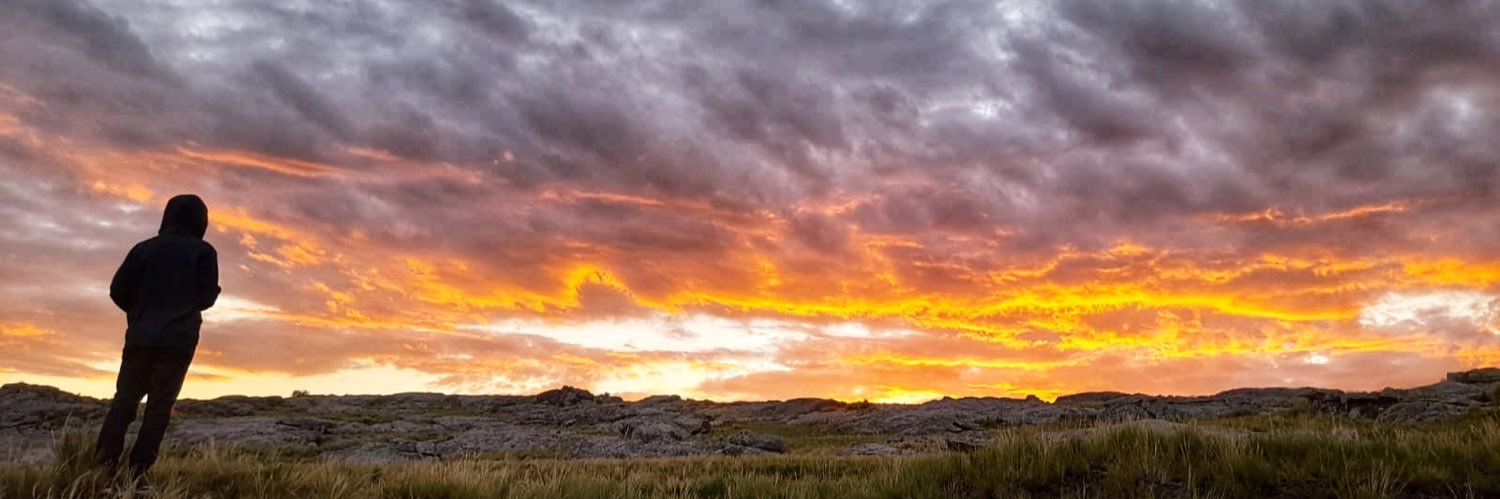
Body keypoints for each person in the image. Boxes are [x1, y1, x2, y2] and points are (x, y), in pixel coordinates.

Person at [95, 194, 220, 484]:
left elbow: (117, 290)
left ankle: (102, 467)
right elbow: (206, 297)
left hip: (140, 338)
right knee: (159, 408)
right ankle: (137, 474)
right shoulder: (203, 252)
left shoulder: (143, 250)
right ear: (200, 220)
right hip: (178, 342)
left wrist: (140, 313)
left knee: (123, 403)